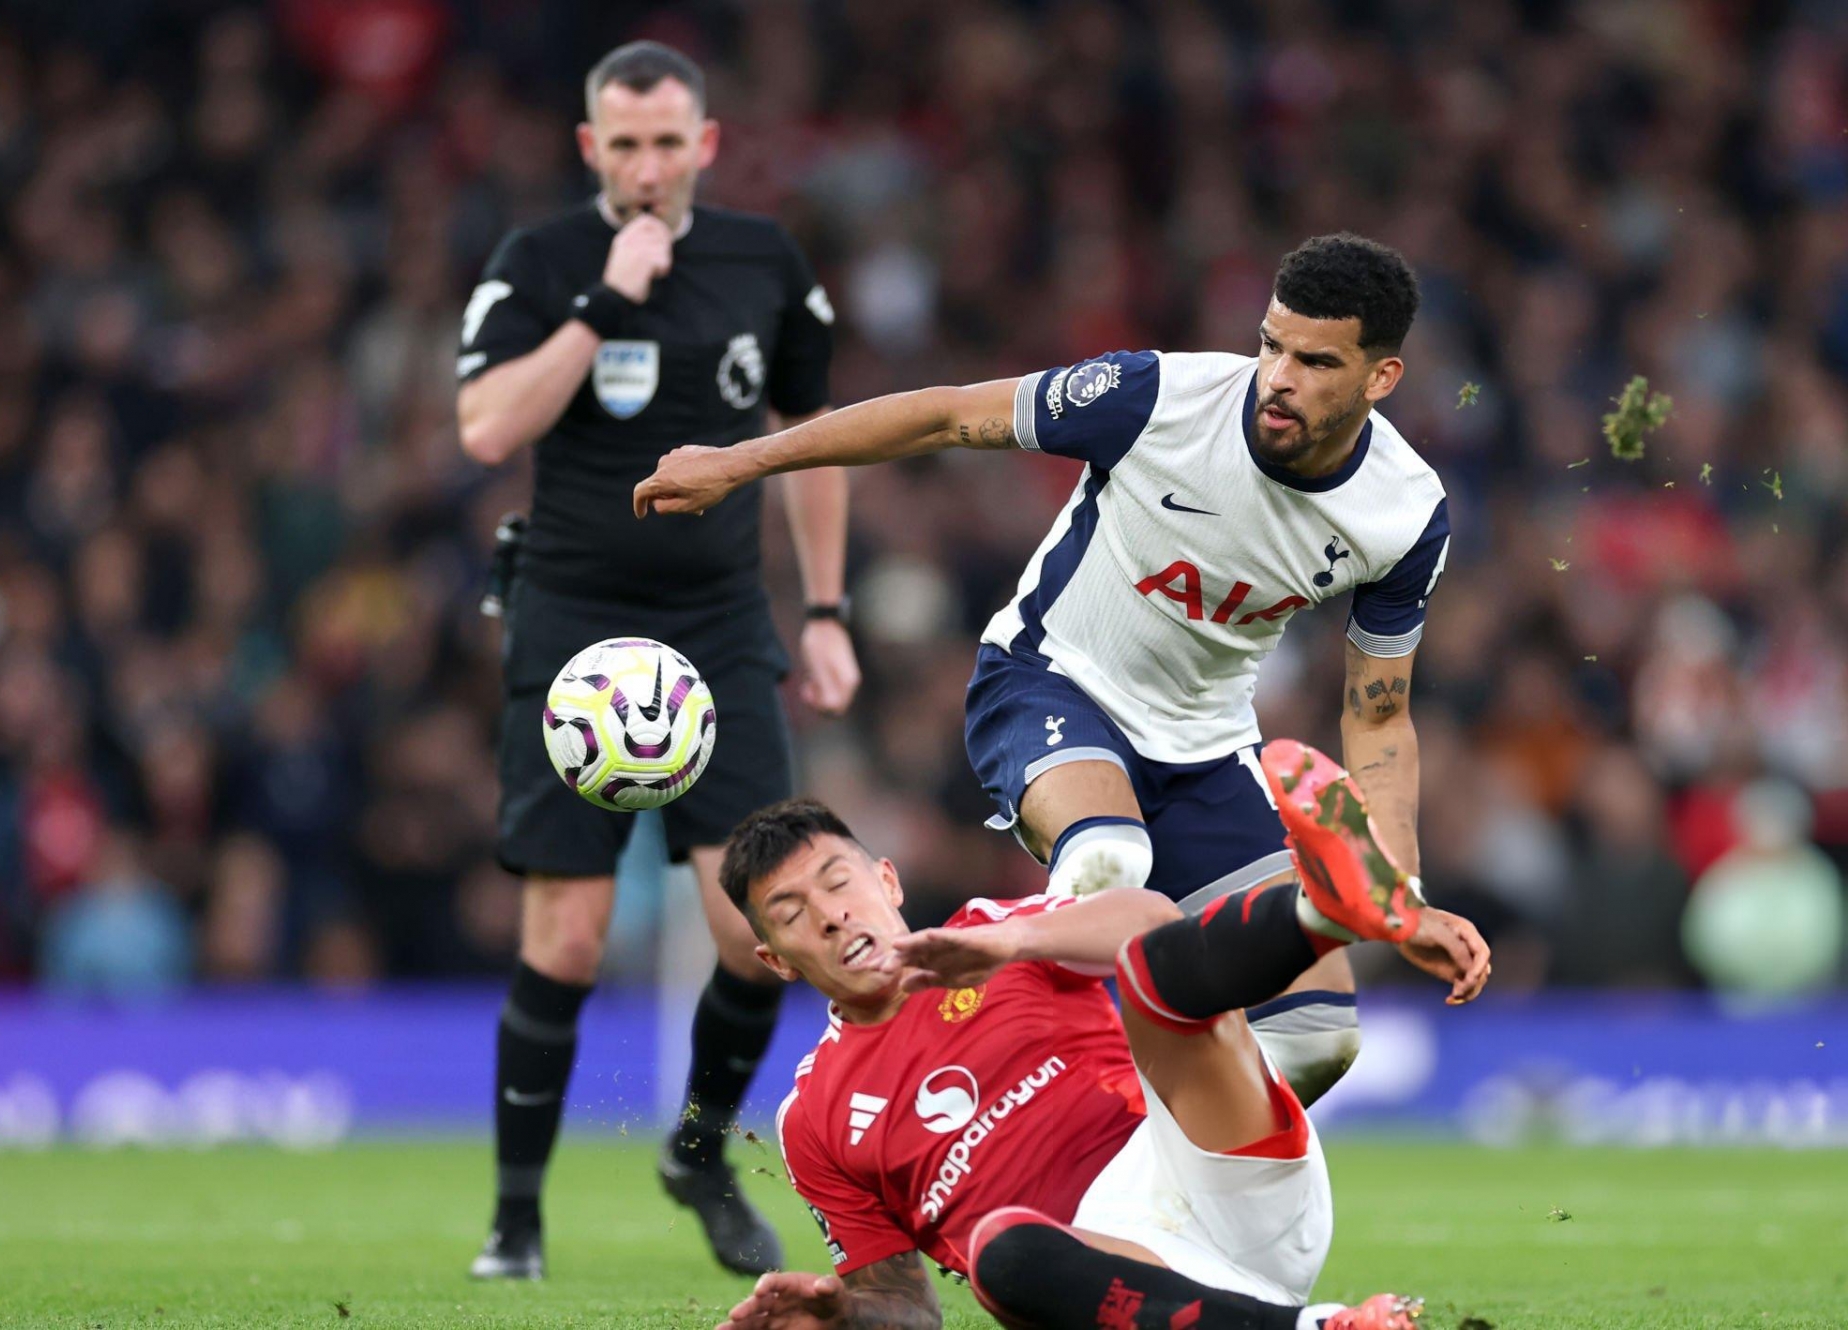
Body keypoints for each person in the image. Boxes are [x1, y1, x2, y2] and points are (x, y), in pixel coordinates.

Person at [636, 234, 1447, 1108]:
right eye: (1270, 344)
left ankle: (1103, 1179)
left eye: (1315, 361)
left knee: (1318, 1042)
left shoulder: (1403, 514)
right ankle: (938, 1070)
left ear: (1380, 378)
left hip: (1208, 751)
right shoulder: (1158, 398)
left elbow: (1377, 716)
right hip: (1052, 684)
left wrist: (1400, 896)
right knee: (1108, 858)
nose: (1278, 377)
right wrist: (738, 463)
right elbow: (945, 415)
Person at [456, 41, 859, 1280]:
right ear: (590, 149)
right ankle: (515, 1219)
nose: (644, 167)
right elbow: (485, 429)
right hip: (574, 626)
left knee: (761, 930)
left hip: (722, 626)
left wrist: (829, 607)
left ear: (706, 144)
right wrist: (602, 305)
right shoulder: (542, 262)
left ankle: (695, 1149)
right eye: (621, 145)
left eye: (665, 143)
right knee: (568, 937)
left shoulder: (762, 261)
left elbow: (817, 438)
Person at [709, 739, 1490, 1330]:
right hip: (1123, 1285)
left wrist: (1008, 946)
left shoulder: (992, 929)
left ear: (886, 881)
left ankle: (1326, 908)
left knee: (1152, 970)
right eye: (793, 912)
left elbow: (1152, 919)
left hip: (1209, 1162)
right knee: (1002, 1251)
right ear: (778, 960)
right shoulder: (811, 1121)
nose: (832, 913)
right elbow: (906, 1307)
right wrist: (842, 1315)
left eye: (839, 883)